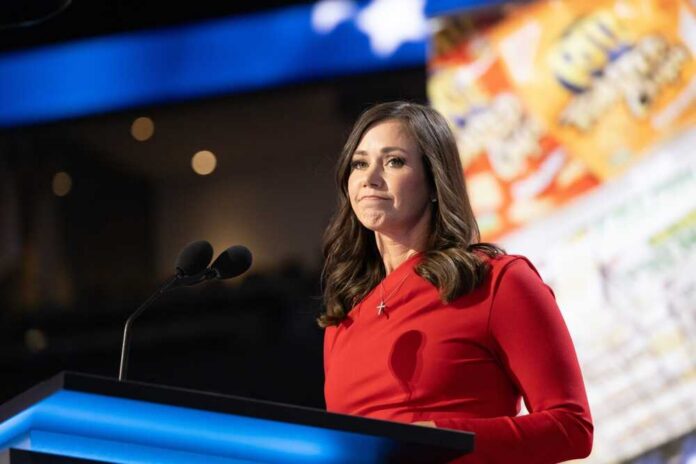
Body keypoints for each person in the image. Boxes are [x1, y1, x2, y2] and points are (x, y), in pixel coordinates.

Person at [319, 101, 593, 463]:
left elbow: (571, 429)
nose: (370, 178)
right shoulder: (343, 321)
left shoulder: (498, 281)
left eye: (394, 161)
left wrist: (443, 438)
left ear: (434, 180)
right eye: (359, 163)